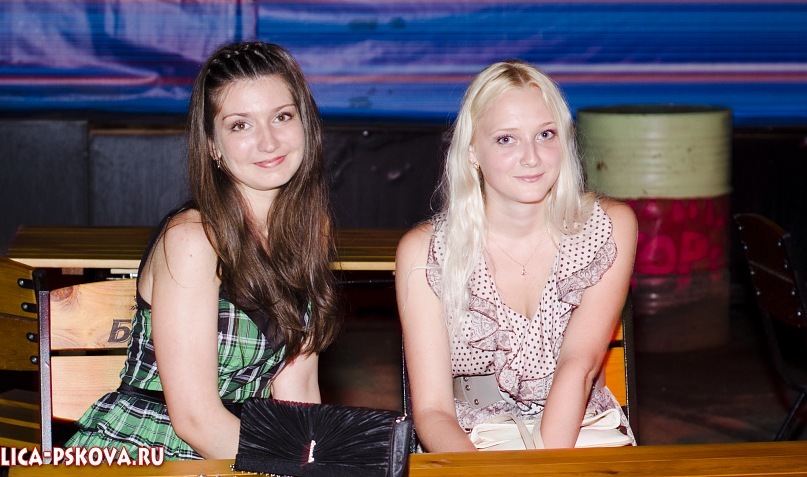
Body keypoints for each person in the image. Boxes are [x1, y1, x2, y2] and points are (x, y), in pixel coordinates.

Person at [65, 41, 341, 459]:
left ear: (306, 124)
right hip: (154, 448)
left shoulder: (308, 232)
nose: (269, 142)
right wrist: (295, 468)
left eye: (282, 117)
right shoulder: (193, 240)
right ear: (212, 145)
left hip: (241, 447)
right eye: (240, 125)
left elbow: (297, 392)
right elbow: (195, 419)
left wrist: (315, 462)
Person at [395, 60, 638, 452]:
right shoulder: (425, 252)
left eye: (545, 134)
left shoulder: (607, 227)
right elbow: (433, 411)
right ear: (472, 150)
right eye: (506, 139)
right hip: (473, 442)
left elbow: (578, 365)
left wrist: (542, 469)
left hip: (580, 430)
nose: (532, 157)